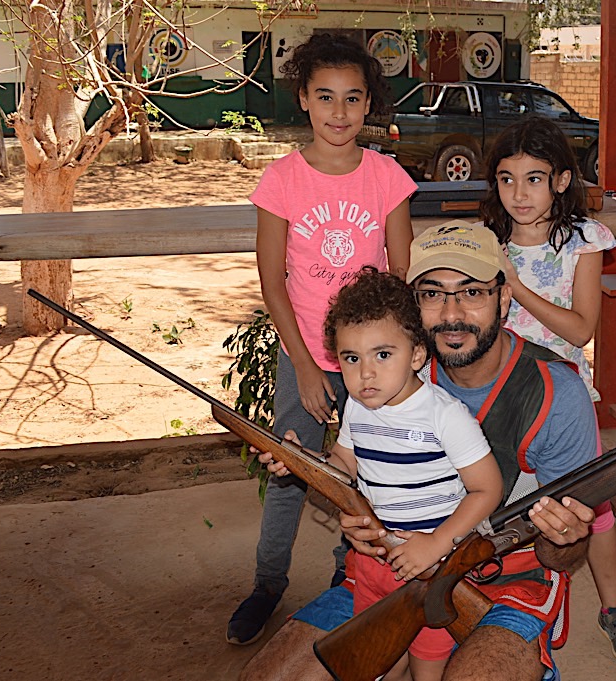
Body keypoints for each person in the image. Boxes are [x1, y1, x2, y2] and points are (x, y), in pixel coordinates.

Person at [241, 222, 599, 681]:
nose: (452, 313)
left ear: (504, 299)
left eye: (472, 292)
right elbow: (352, 468)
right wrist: (314, 477)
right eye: (432, 294)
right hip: (390, 566)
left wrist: (567, 535)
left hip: (507, 577)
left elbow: (564, 554)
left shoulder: (557, 393)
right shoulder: (383, 374)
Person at [226, 33, 417, 646]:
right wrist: (307, 366)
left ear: (369, 104)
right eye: (326, 96)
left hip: (373, 361)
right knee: (290, 471)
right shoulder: (282, 180)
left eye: (353, 98)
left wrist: (384, 360)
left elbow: (399, 277)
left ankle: (348, 575)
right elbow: (273, 282)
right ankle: (267, 583)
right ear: (304, 99)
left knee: (369, 474)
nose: (340, 112)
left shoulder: (387, 178)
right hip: (303, 354)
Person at [480, 115, 616, 664]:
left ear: (561, 181)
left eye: (533, 178)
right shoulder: (488, 242)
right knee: (496, 497)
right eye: (506, 179)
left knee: (590, 505)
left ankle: (614, 606)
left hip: (564, 398)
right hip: (499, 396)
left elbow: (580, 330)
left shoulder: (582, 241)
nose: (518, 193)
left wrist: (514, 285)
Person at [315, 267, 502, 680]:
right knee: (375, 662)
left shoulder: (445, 415)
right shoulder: (357, 406)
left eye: (382, 355)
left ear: (417, 355)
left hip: (433, 571)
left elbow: (487, 489)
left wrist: (435, 544)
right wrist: (304, 462)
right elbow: (344, 462)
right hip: (373, 563)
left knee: (427, 670)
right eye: (351, 358)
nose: (365, 373)